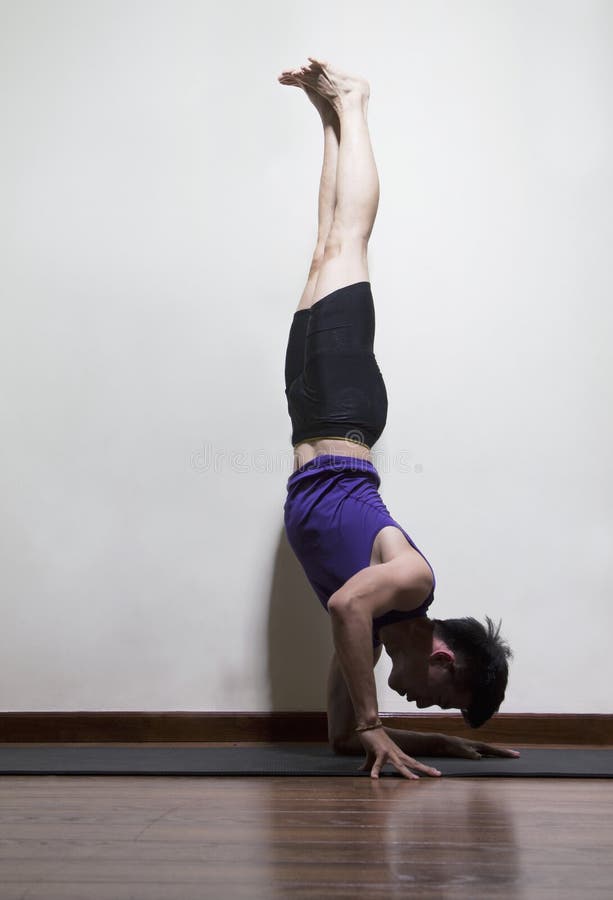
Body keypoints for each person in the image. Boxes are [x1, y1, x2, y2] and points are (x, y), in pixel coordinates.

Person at [279, 57, 519, 779]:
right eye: (442, 702)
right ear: (445, 660)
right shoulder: (409, 583)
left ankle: (328, 116)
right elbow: (344, 606)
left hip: (312, 415)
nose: (423, 704)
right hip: (343, 409)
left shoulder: (375, 625)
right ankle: (354, 102)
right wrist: (377, 723)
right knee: (348, 244)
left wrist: (432, 743)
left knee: (325, 247)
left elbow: (339, 738)